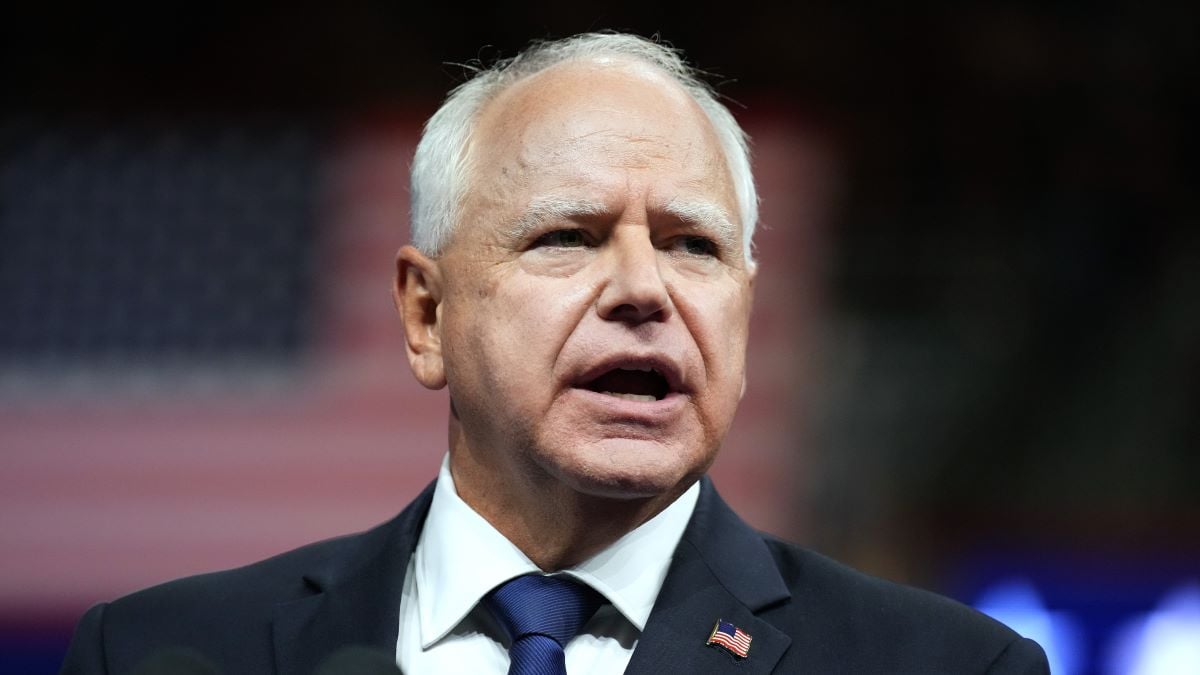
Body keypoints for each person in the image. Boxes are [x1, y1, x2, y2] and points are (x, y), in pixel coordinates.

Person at [60, 32, 1049, 674]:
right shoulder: (162, 654)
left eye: (692, 244)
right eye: (566, 237)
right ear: (424, 315)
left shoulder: (947, 670)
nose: (642, 289)